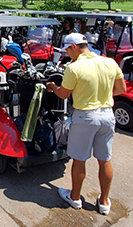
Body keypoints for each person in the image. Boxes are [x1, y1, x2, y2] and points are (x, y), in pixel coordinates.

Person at [45, 33, 127, 215]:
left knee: (79, 159)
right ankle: (104, 202)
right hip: (107, 115)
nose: (67, 54)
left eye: (67, 50)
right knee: (105, 159)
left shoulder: (74, 68)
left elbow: (64, 94)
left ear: (74, 47)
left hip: (85, 117)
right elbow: (121, 89)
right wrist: (101, 97)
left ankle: (75, 198)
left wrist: (52, 87)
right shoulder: (110, 62)